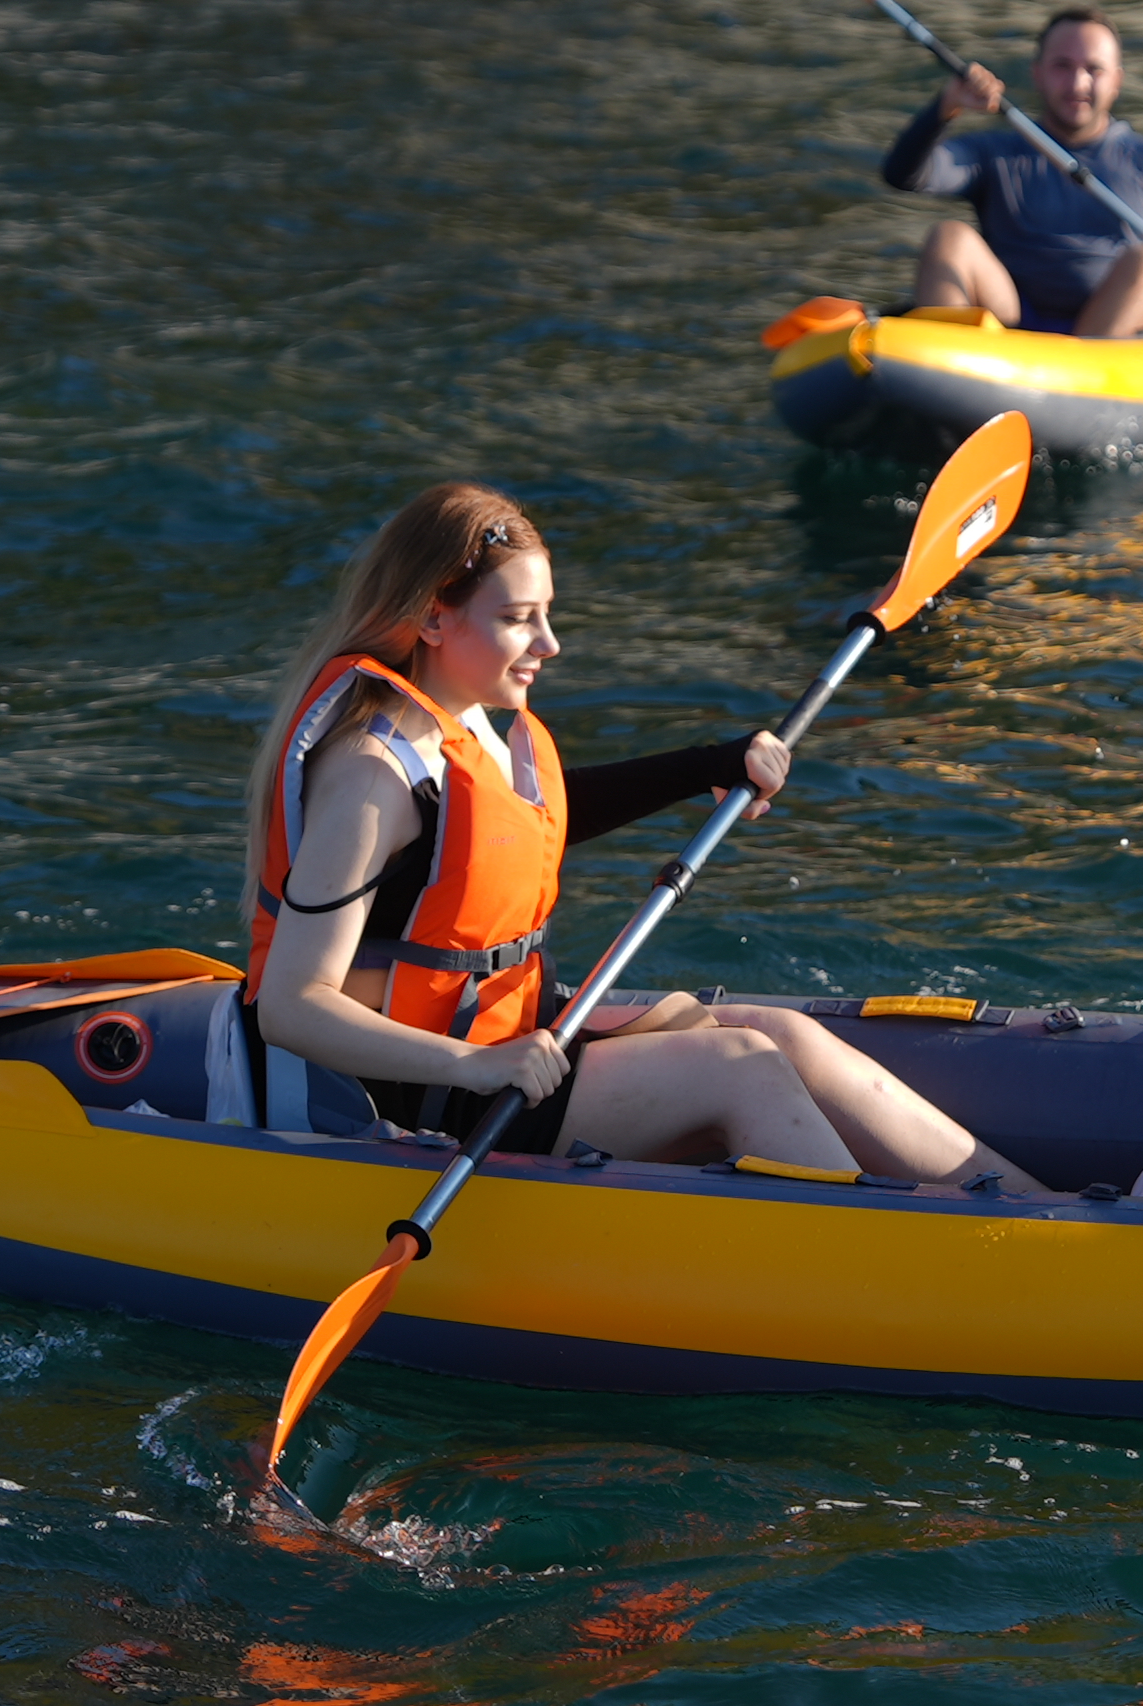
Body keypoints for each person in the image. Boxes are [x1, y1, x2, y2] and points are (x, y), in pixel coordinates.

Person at [242, 481, 1044, 1190]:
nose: (548, 644)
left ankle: (1031, 1213)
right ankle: (912, 1265)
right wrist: (475, 1064)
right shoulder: (372, 774)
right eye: (518, 620)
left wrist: (705, 767)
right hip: (419, 1088)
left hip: (505, 1038)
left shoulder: (467, 718)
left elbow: (515, 833)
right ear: (432, 617)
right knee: (740, 1069)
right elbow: (291, 1005)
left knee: (782, 1035)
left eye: (546, 614)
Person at [881, 5, 1143, 341]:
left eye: (1094, 69)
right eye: (1062, 66)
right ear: (1037, 73)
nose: (1078, 84)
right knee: (949, 237)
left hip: (1106, 335)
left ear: (1116, 80)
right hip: (1010, 321)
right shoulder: (995, 152)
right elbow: (906, 175)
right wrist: (945, 108)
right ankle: (944, 362)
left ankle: (1087, 376)